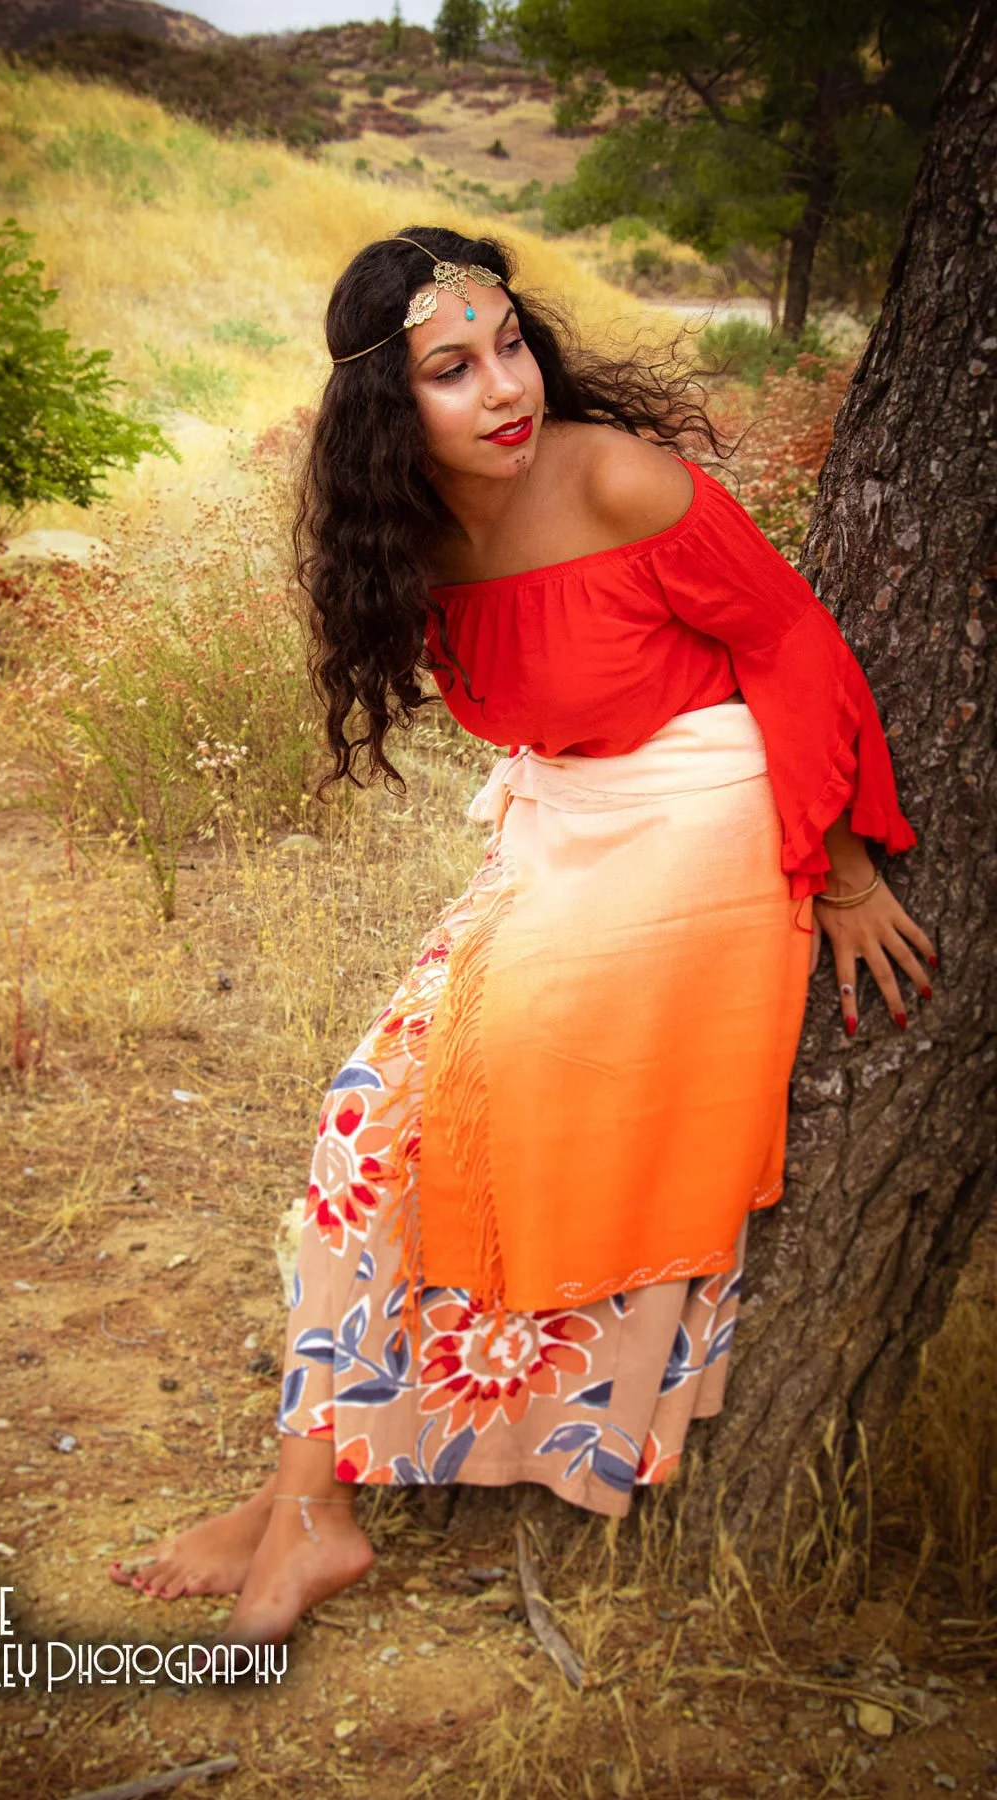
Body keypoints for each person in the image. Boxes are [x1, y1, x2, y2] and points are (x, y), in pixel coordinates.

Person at [109, 226, 936, 1645]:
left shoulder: (613, 474)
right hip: (569, 823)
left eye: (510, 345)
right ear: (388, 409)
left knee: (400, 1111)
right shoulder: (408, 533)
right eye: (454, 367)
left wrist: (847, 869)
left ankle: (308, 1505)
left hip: (703, 812)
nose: (506, 387)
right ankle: (304, 1493)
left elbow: (793, 645)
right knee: (362, 1121)